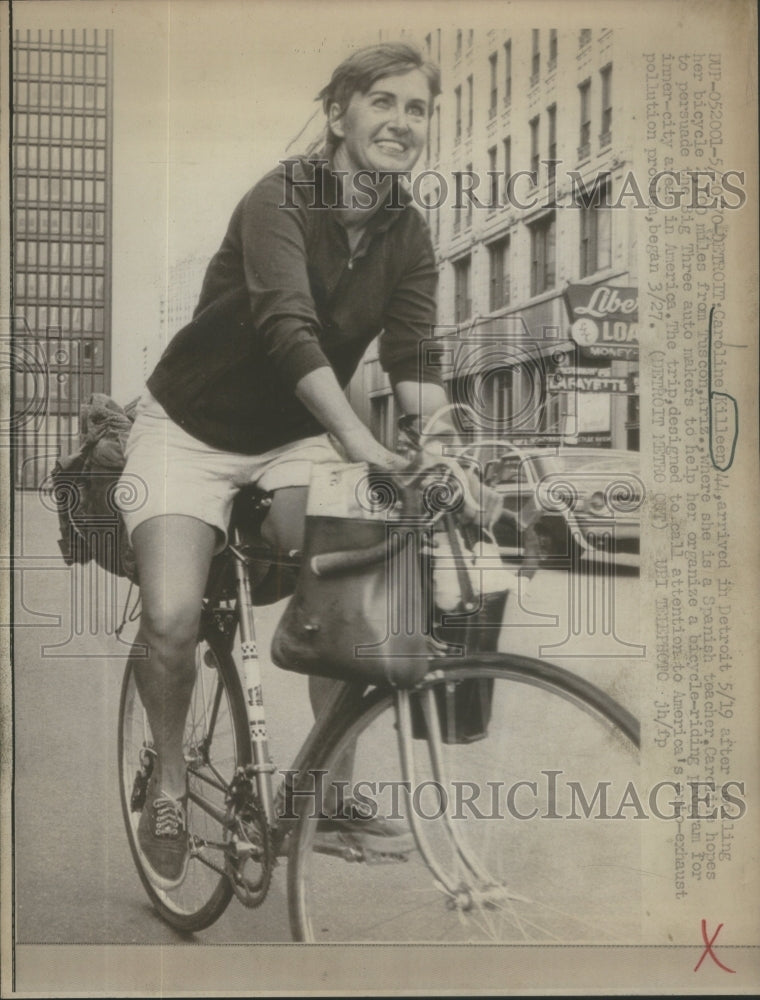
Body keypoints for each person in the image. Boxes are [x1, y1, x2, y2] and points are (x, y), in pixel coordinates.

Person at [119, 42, 448, 888]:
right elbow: (287, 328)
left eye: (418, 109)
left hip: (292, 433)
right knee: (170, 618)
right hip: (189, 427)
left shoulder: (409, 230)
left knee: (355, 582)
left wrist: (443, 446)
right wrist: (361, 442)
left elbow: (414, 358)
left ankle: (324, 797)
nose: (401, 123)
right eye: (383, 102)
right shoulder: (282, 196)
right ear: (339, 116)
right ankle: (163, 777)